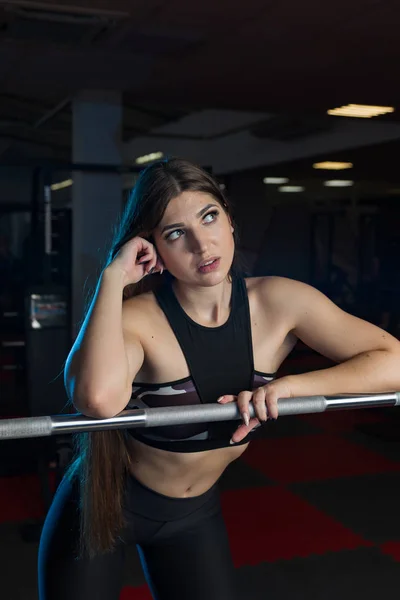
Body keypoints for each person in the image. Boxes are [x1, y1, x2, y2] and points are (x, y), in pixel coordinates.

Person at [38, 158, 400, 600]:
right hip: (102, 506)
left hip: (194, 514)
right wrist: (113, 278)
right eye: (175, 233)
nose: (201, 244)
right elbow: (96, 401)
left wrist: (288, 388)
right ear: (152, 248)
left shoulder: (279, 302)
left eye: (209, 217)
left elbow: (393, 362)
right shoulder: (137, 318)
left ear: (229, 218)